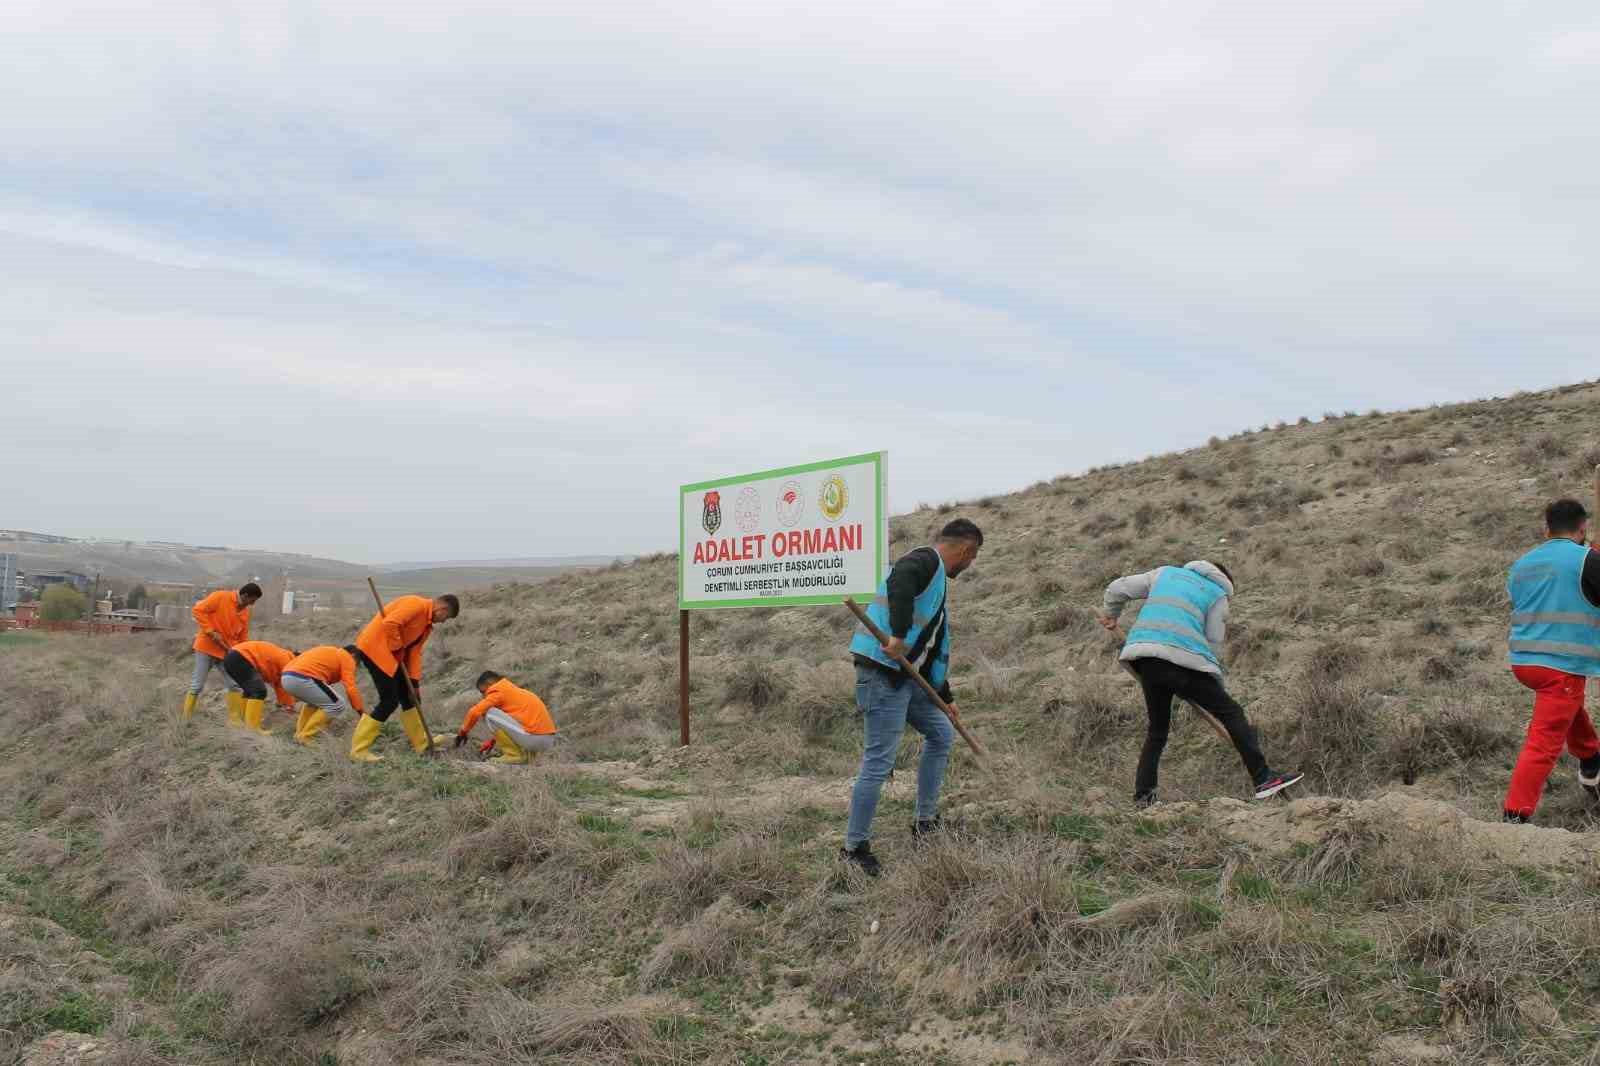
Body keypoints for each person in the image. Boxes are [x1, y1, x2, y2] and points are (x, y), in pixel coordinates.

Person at [841, 518, 984, 877]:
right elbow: (899, 580)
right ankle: (853, 849)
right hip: (881, 673)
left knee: (941, 733)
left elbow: (936, 647)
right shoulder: (925, 560)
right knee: (878, 761)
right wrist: (899, 634)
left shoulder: (937, 587)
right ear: (967, 550)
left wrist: (945, 695)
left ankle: (925, 823)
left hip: (906, 678)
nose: (970, 565)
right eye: (973, 557)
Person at [1098, 560, 1301, 807]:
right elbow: (1213, 643)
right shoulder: (1218, 594)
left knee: (1157, 731)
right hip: (1182, 660)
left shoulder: (1165, 573)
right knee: (1231, 711)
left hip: (1145, 658)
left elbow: (1117, 588)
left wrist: (1111, 615)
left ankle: (1144, 797)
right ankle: (1263, 779)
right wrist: (1207, 683)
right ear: (1224, 580)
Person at [1502, 497, 1600, 823]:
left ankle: (1592, 761)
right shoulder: (1586, 559)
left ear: (1546, 529)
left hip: (1523, 663)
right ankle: (1514, 818)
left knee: (1566, 707)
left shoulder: (1522, 564)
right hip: (1561, 664)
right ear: (1583, 527)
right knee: (1543, 744)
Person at [348, 594, 460, 762]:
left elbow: (414, 653)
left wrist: (414, 683)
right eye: (447, 617)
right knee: (389, 701)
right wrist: (396, 646)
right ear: (442, 609)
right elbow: (391, 623)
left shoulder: (427, 625)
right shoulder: (415, 604)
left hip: (392, 654)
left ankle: (421, 743)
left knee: (410, 698)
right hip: (374, 650)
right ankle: (358, 750)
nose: (444, 621)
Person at [437, 670, 557, 765]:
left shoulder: (498, 690)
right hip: (545, 740)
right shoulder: (513, 691)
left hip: (534, 739)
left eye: (482, 691)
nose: (484, 696)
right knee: (494, 714)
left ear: (489, 684)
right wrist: (493, 741)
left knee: (489, 713)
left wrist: (463, 733)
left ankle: (514, 755)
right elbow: (512, 724)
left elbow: (474, 712)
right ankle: (528, 758)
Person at [183, 582, 262, 725]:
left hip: (227, 652)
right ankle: (185, 719)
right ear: (245, 596)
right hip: (205, 648)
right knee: (197, 685)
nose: (252, 604)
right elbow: (198, 610)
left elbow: (243, 636)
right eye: (252, 600)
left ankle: (234, 721)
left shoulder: (244, 612)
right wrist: (210, 631)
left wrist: (242, 653)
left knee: (234, 685)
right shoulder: (220, 596)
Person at [281, 644, 367, 745]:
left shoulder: (330, 652)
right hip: (303, 677)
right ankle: (305, 736)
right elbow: (351, 687)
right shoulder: (347, 657)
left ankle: (299, 734)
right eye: (357, 663)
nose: (355, 667)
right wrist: (361, 712)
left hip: (286, 677)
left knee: (316, 703)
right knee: (337, 705)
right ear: (353, 655)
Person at [221, 639, 298, 736]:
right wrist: (289, 705)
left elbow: (279, 684)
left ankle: (242, 723)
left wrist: (287, 704)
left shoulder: (283, 656)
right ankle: (253, 729)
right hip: (240, 658)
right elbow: (283, 685)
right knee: (259, 692)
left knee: (249, 691)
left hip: (232, 657)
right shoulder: (287, 661)